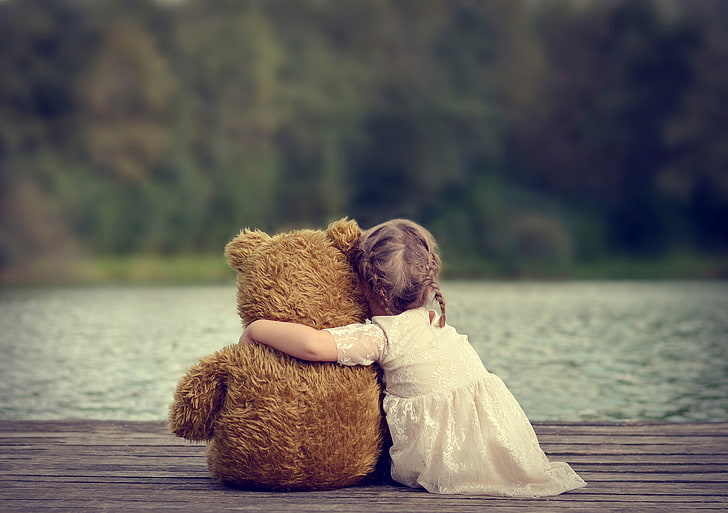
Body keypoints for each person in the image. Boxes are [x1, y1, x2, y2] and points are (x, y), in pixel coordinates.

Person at [239, 219, 586, 496]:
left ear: (364, 285)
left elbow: (314, 346)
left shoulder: (382, 335)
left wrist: (258, 328)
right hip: (493, 436)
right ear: (426, 282)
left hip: (440, 455)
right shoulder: (434, 321)